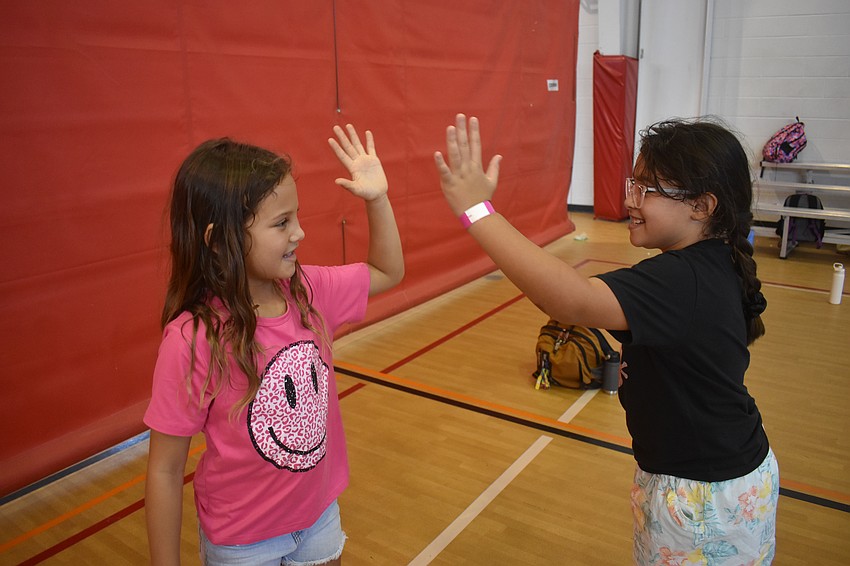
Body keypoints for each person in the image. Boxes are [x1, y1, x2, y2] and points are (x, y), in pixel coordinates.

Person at [434, 114, 778, 564]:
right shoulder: (711, 263)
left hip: (703, 496)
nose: (630, 199)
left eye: (647, 189)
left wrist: (476, 210)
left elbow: (571, 301)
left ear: (701, 206)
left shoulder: (681, 279)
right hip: (721, 479)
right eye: (632, 183)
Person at [144, 124, 404, 566]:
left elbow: (387, 271)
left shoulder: (308, 290)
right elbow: (166, 471)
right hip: (243, 543)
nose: (299, 233)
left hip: (319, 519)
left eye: (296, 217)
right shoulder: (193, 339)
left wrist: (377, 199)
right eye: (282, 223)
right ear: (219, 240)